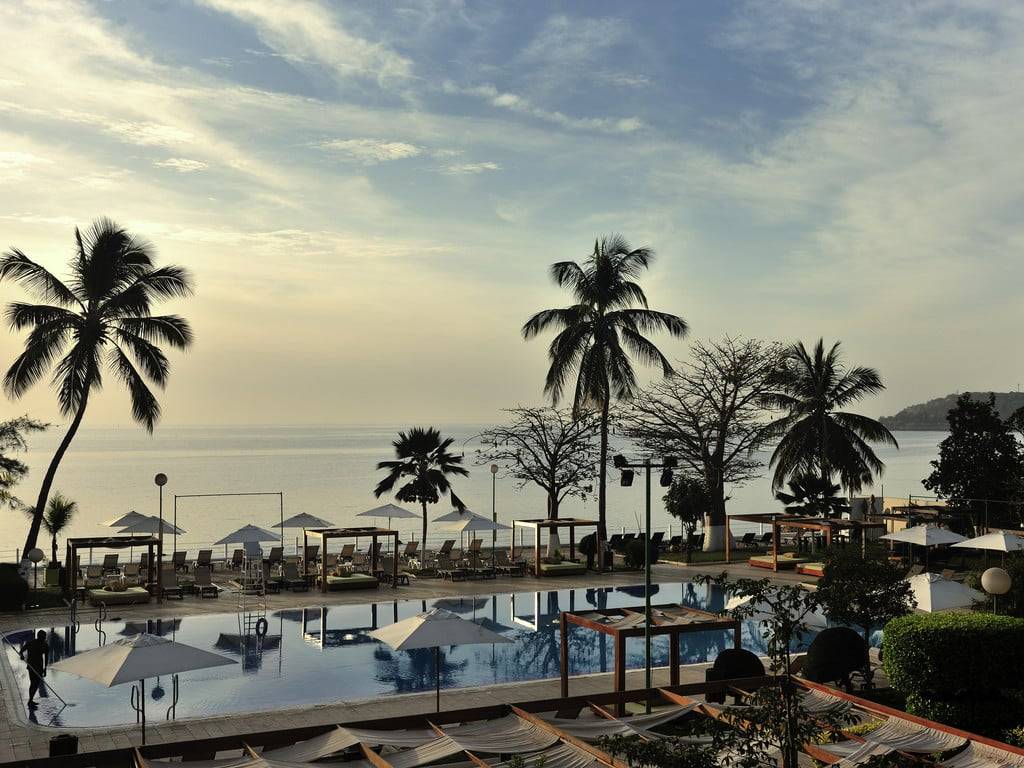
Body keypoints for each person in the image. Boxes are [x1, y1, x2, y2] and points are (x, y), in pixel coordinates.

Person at [19, 630, 48, 707]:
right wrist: (21, 655)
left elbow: (46, 657)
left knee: (36, 683)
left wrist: (45, 669)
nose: (44, 638)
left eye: (44, 637)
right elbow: (21, 651)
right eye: (43, 637)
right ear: (39, 636)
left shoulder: (45, 645)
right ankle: (30, 700)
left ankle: (30, 700)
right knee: (33, 683)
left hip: (39, 667)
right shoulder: (31, 643)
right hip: (31, 666)